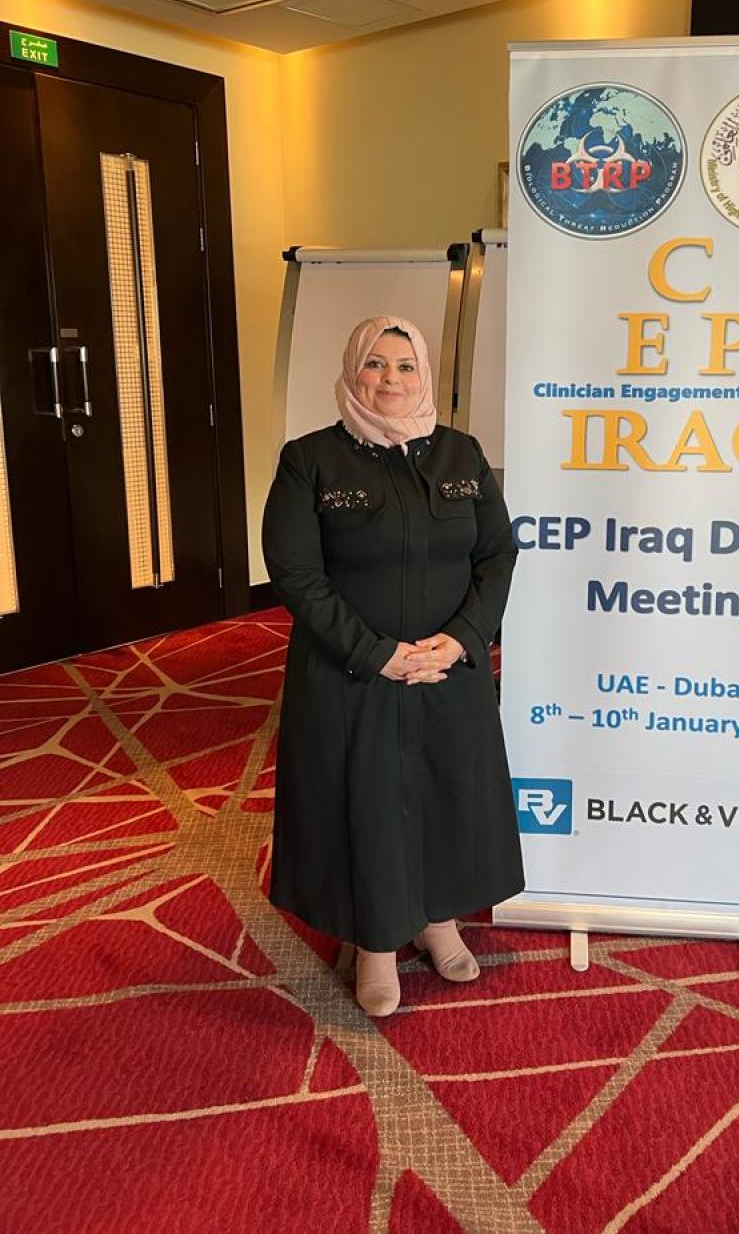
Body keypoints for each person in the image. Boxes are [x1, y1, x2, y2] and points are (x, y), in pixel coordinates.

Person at [262, 315, 525, 1016]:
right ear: (353, 371)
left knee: (446, 791)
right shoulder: (310, 460)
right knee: (368, 801)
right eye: (375, 363)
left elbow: (497, 554)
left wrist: (463, 639)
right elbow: (296, 573)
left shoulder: (462, 454)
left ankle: (439, 920)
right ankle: (374, 941)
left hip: (448, 669)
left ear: (424, 374)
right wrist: (376, 654)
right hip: (351, 673)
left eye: (406, 365)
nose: (391, 379)